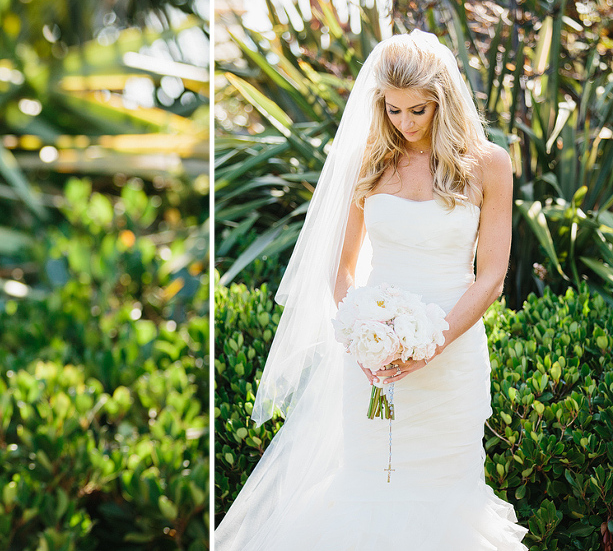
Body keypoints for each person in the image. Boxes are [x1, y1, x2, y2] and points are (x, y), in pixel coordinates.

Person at [214, 31, 528, 550]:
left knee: (446, 496)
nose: (404, 124)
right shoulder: (369, 161)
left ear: (442, 103)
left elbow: (491, 275)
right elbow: (341, 267)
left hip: (452, 360)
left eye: (418, 111)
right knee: (368, 490)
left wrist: (431, 345)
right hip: (373, 361)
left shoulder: (488, 165)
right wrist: (360, 338)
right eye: (394, 109)